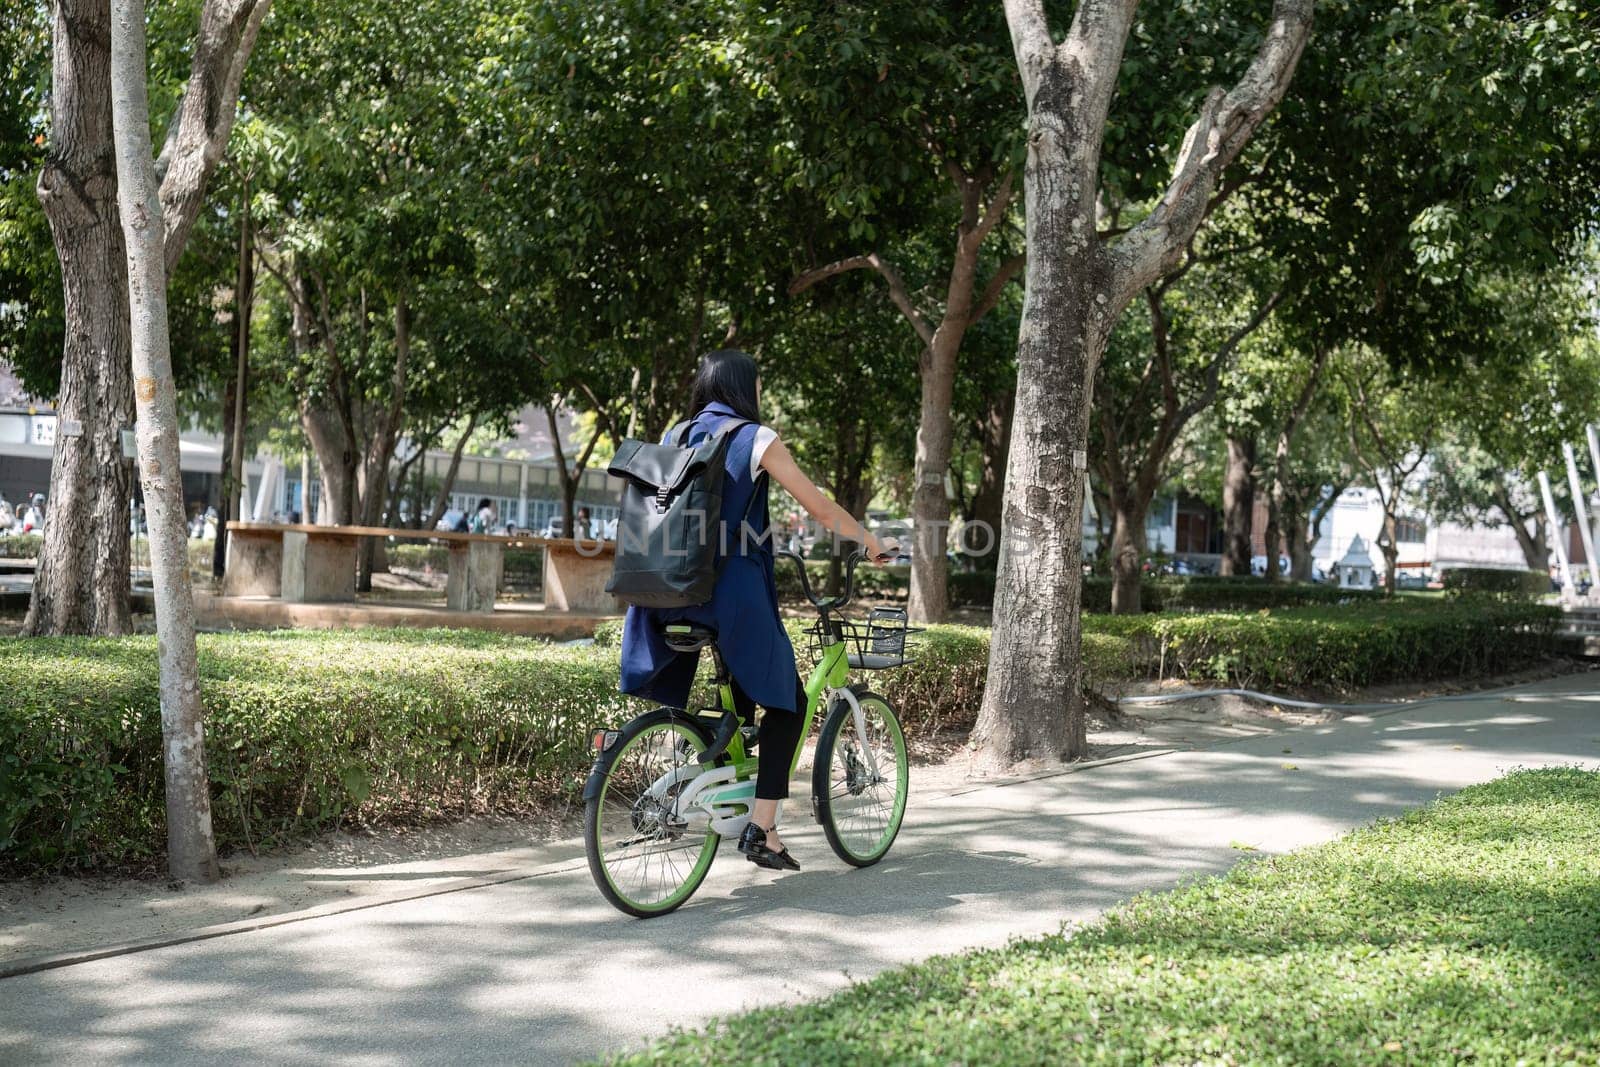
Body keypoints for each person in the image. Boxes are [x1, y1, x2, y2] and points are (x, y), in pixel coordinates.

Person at [618, 349, 897, 873]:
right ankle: (764, 829)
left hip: (666, 593)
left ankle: (724, 781)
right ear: (746, 389)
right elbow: (819, 507)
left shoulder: (676, 434)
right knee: (789, 702)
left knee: (743, 694)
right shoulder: (755, 437)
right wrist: (870, 540)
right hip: (731, 596)